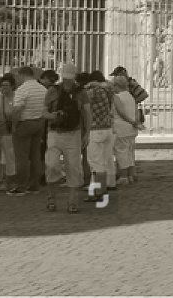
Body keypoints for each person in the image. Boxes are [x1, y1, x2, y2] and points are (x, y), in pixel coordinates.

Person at [43, 69, 84, 213]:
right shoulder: (53, 91)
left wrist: (88, 133)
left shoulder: (81, 92)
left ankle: (72, 201)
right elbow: (43, 112)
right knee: (52, 165)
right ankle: (51, 197)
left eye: (70, 79)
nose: (68, 82)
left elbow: (87, 112)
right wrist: (53, 116)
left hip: (74, 133)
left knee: (73, 168)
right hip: (55, 132)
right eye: (66, 79)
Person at [9, 64, 48, 193]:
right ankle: (34, 184)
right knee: (35, 155)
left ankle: (21, 185)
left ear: (22, 75)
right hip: (39, 123)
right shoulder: (42, 89)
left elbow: (17, 109)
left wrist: (14, 125)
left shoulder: (22, 89)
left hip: (24, 123)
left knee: (22, 156)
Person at [78, 69, 117, 198]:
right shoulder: (109, 90)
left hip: (95, 129)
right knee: (104, 160)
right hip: (107, 127)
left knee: (95, 163)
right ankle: (103, 187)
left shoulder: (91, 92)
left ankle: (98, 191)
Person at [111, 72, 139, 184]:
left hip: (121, 128)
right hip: (131, 128)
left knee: (121, 152)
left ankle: (123, 176)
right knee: (130, 152)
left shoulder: (117, 97)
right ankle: (131, 174)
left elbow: (121, 113)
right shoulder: (130, 96)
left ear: (116, 86)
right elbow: (136, 111)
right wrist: (135, 122)